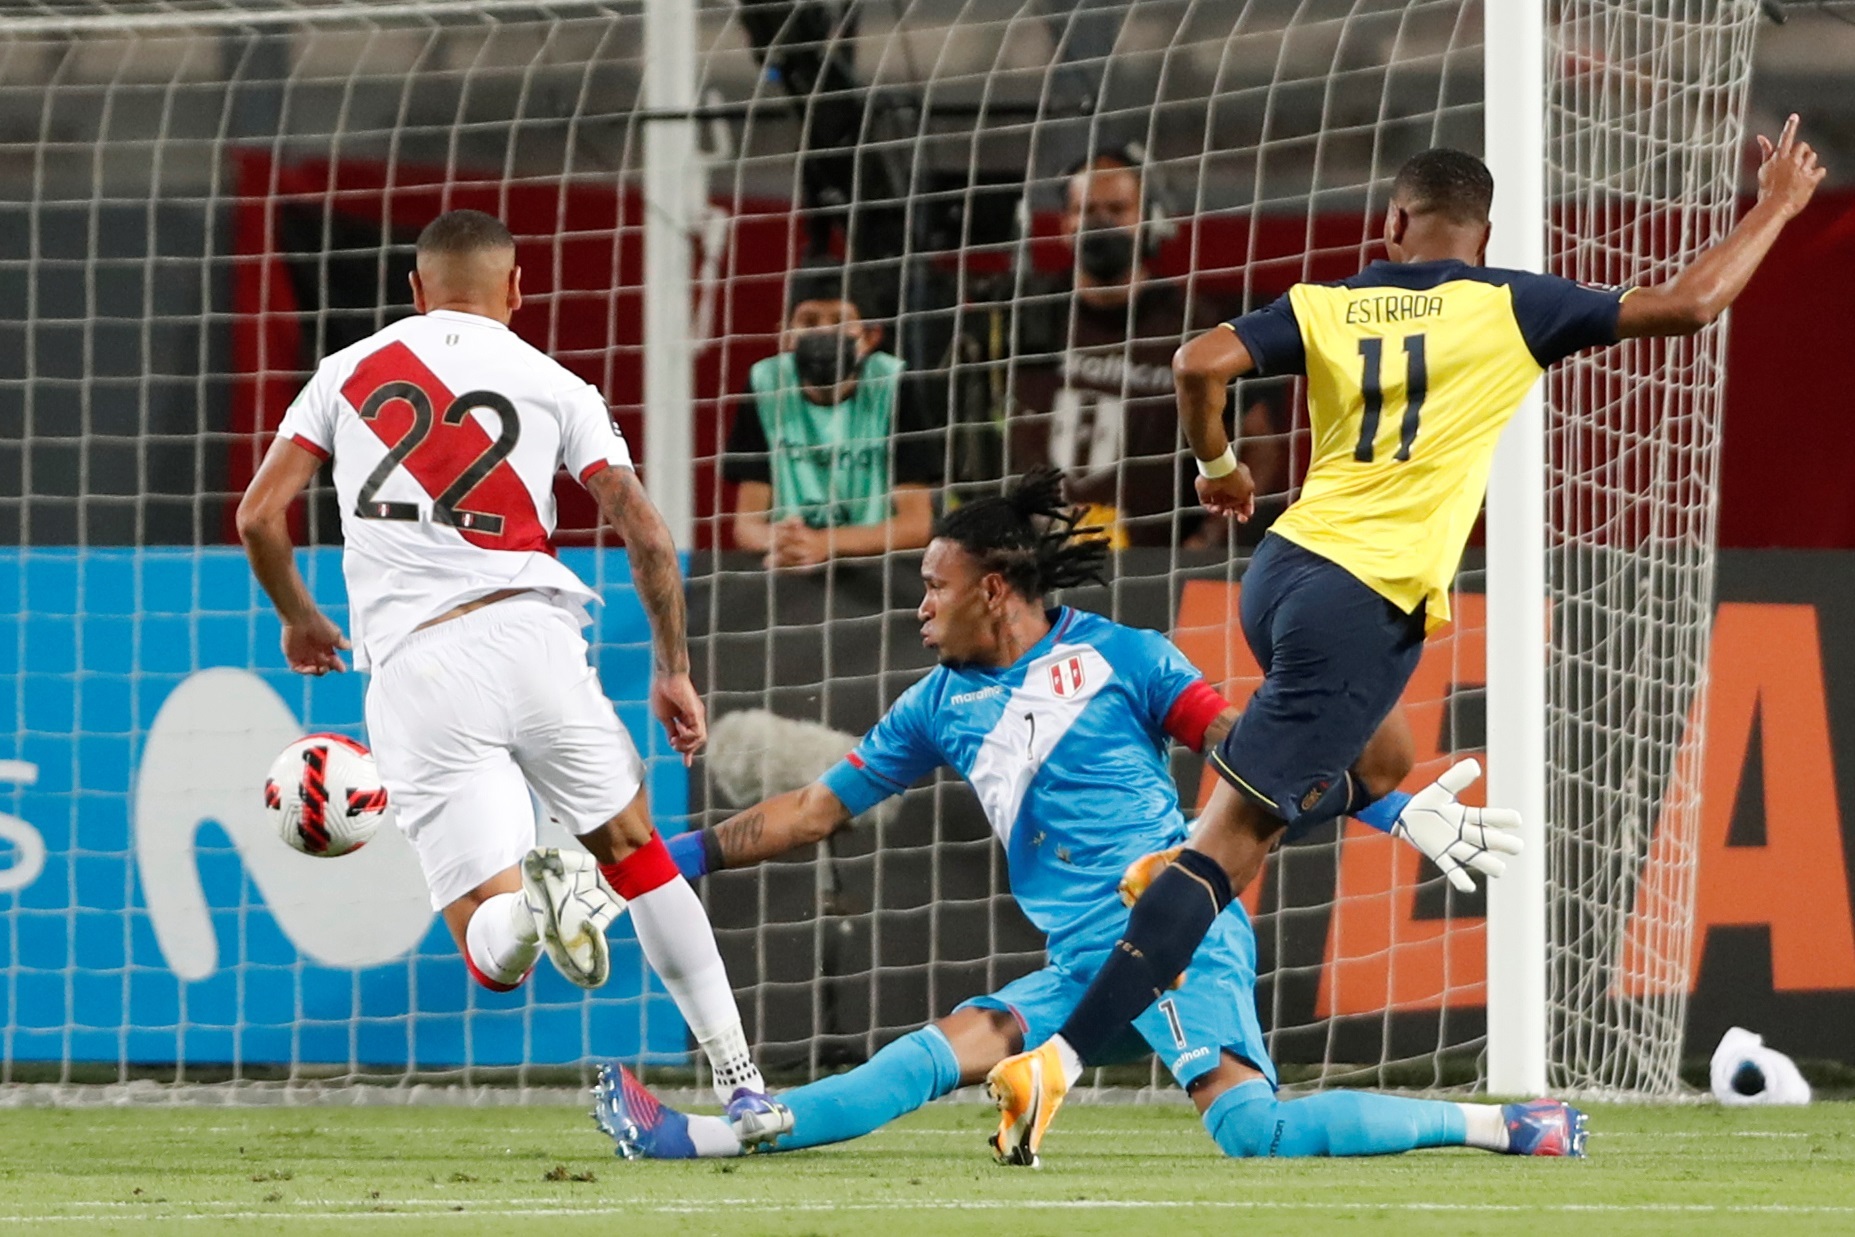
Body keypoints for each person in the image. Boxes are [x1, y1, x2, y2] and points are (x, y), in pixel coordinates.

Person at [985, 118, 1828, 1165]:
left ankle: (1220, 823)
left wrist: (1218, 468)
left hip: (1284, 572)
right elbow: (1693, 303)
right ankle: (1056, 1060)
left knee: (1381, 759)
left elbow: (1197, 362)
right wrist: (1780, 203)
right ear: (1485, 232)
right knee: (1223, 858)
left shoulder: (1331, 301)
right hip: (1362, 600)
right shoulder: (1512, 301)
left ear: (1392, 223)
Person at [585, 471, 1550, 1164]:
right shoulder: (934, 702)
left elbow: (1243, 757)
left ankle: (1507, 1124)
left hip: (1168, 928)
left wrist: (1379, 805)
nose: (922, 606)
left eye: (935, 584)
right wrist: (658, 861)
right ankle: (715, 1129)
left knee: (1252, 1130)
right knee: (936, 1049)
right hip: (1079, 960)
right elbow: (811, 811)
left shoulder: (1125, 658)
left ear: (992, 589)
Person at [235, 209, 791, 1129]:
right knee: (640, 855)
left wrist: (300, 620)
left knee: (494, 958)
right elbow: (645, 531)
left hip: (418, 667)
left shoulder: (345, 372)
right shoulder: (555, 381)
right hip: (534, 637)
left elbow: (261, 517)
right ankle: (744, 1084)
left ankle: (539, 905)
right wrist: (672, 668)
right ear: (518, 289)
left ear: (413, 291)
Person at [953, 147, 1286, 546]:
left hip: (1153, 565)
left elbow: (1259, 446)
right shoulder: (1018, 318)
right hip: (1031, 559)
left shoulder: (1194, 325)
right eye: (1087, 210)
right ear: (1064, 223)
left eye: (1117, 209)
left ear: (1149, 218)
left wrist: (1207, 542)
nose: (1102, 223)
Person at [724, 264, 941, 568]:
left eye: (840, 321)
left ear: (870, 336)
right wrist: (786, 542)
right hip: (791, 569)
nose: (825, 333)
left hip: (879, 572)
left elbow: (917, 525)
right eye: (809, 321)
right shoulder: (766, 383)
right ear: (786, 336)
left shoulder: (892, 383)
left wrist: (825, 543)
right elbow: (746, 526)